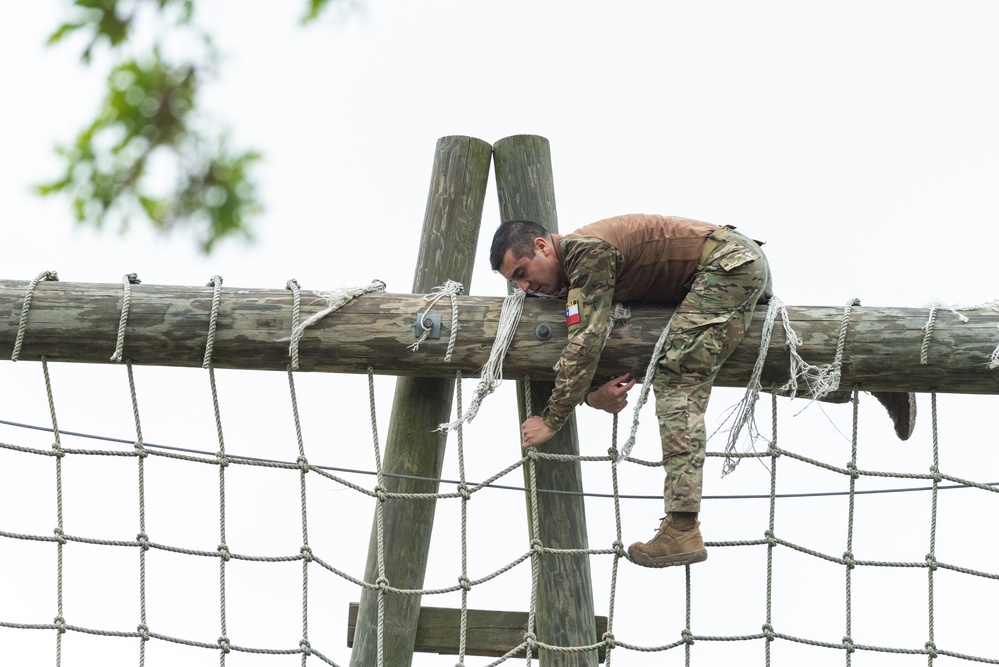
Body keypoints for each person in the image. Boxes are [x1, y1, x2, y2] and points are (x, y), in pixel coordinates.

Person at [490, 214, 915, 569]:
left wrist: (553, 418)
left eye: (523, 274)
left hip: (727, 265)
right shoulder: (572, 279)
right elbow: (596, 336)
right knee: (751, 359)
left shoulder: (587, 252)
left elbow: (586, 340)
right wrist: (592, 395)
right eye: (516, 283)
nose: (525, 289)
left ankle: (681, 527)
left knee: (678, 374)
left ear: (544, 246)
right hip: (717, 271)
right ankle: (872, 377)